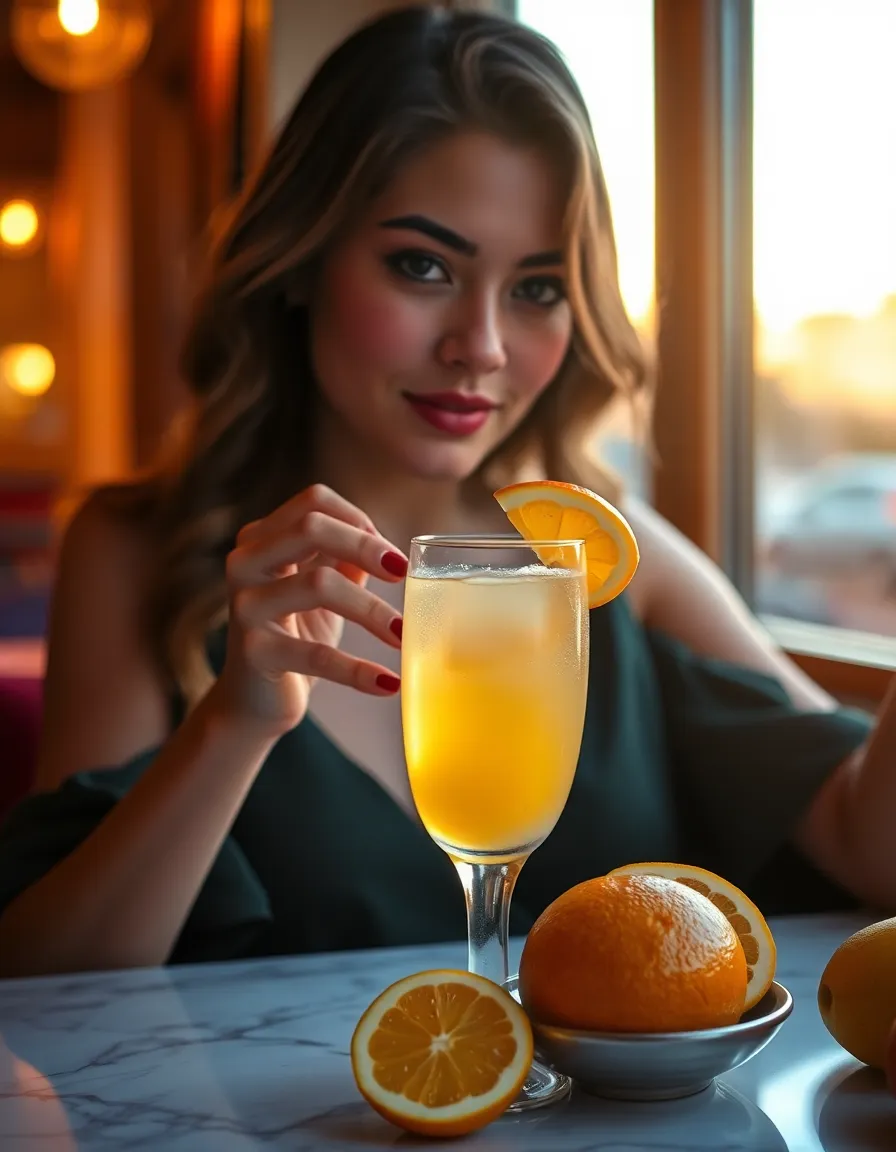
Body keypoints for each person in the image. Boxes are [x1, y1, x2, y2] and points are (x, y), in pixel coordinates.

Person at [0, 4, 889, 979]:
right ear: (301, 262)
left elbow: (868, 836)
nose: (483, 347)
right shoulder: (137, 551)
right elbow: (50, 981)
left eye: (537, 288)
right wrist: (235, 726)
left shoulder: (602, 552)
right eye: (422, 266)